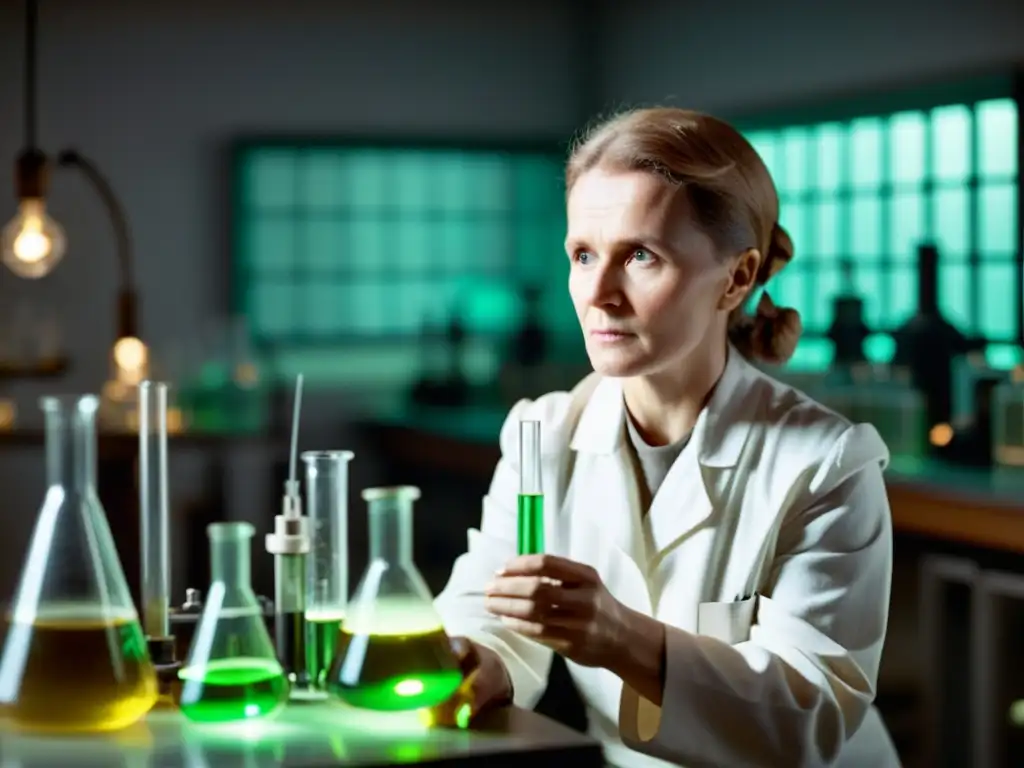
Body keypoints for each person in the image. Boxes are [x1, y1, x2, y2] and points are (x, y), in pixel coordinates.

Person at [432, 107, 899, 767]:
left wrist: (619, 635)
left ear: (737, 278)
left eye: (641, 256)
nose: (598, 293)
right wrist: (474, 657)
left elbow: (809, 717)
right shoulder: (541, 433)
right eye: (583, 254)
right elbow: (494, 604)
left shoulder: (826, 465)